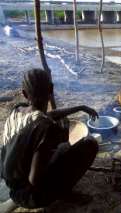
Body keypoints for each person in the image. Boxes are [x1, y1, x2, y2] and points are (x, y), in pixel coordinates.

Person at [0, 69, 99, 211]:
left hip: (13, 186)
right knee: (89, 144)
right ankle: (64, 193)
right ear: (51, 89)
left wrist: (80, 107)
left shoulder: (17, 110)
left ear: (24, 94)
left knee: (61, 145)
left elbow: (48, 115)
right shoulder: (45, 128)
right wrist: (59, 149)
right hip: (31, 196)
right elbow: (34, 180)